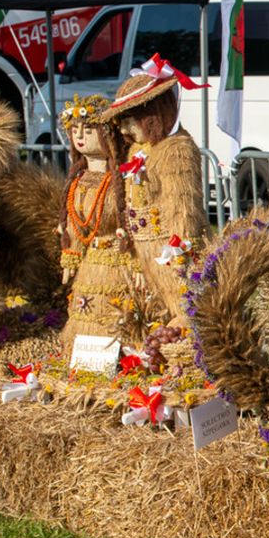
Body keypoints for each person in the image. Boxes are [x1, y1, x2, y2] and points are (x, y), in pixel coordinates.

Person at [100, 54, 210, 328]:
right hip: (146, 250)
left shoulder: (177, 150)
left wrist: (181, 255)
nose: (123, 130)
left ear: (152, 115)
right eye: (121, 122)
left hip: (170, 253)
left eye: (130, 120)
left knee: (183, 310)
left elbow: (183, 210)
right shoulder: (138, 151)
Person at [58, 94, 135, 357]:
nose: (80, 137)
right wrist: (71, 253)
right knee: (85, 307)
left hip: (116, 260)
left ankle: (120, 355)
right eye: (75, 130)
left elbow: (131, 217)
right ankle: (83, 357)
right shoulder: (77, 180)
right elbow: (74, 221)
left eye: (88, 130)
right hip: (90, 263)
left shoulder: (121, 181)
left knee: (114, 310)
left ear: (106, 134)